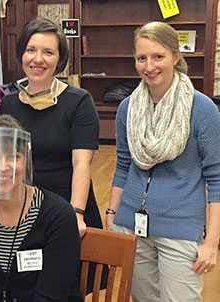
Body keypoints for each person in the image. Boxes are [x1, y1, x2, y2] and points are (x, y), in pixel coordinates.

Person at [106, 21, 220, 302]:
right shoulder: (127, 109)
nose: (149, 66)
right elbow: (122, 166)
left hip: (180, 229)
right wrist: (111, 218)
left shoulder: (201, 108)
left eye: (158, 56)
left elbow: (216, 177)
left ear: (175, 57)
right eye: (141, 58)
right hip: (131, 224)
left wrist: (212, 242)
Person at [0, 16, 106, 292]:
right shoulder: (8, 104)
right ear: (22, 54)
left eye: (48, 52)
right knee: (26, 284)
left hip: (66, 207)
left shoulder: (78, 101)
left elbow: (82, 163)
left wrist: (76, 214)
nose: (38, 59)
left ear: (59, 60)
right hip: (23, 211)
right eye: (31, 50)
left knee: (67, 288)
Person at [0, 115, 80, 301]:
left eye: (13, 156)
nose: (2, 166)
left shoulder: (58, 216)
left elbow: (51, 296)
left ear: (26, 161)